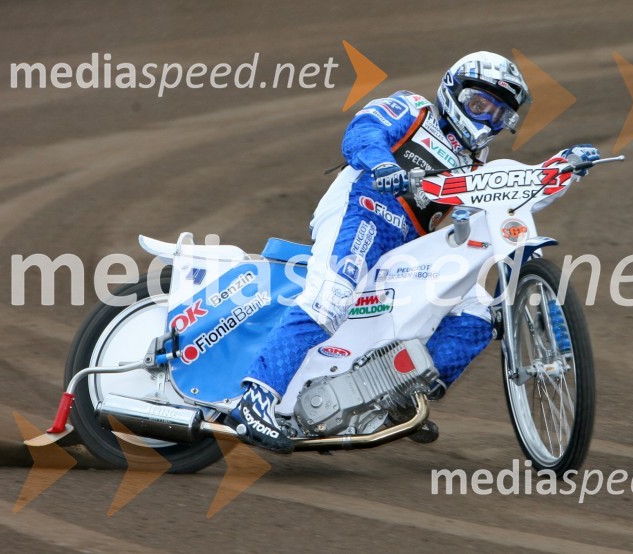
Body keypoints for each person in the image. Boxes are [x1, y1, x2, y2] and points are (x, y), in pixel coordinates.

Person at [227, 51, 600, 453]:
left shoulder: (477, 163)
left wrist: (565, 168)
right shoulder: (412, 108)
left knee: (476, 312)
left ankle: (398, 399)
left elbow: (513, 197)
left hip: (409, 243)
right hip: (361, 208)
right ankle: (256, 399)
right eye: (478, 104)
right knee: (330, 297)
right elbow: (362, 131)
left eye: (496, 114)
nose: (485, 119)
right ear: (453, 93)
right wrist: (382, 164)